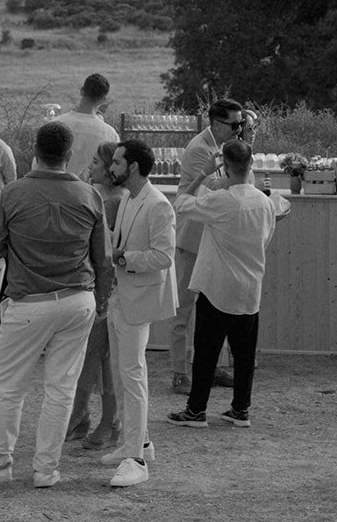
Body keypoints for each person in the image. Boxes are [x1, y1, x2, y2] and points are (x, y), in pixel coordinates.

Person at [0, 121, 112, 489]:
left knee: (9, 387)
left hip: (28, 300)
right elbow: (104, 259)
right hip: (78, 299)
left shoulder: (14, 193)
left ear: (35, 152)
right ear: (69, 156)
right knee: (61, 388)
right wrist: (102, 301)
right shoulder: (89, 196)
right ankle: (46, 469)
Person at [169, 137, 281, 429]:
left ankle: (196, 410)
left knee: (206, 353)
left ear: (226, 167)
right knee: (244, 355)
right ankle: (241, 409)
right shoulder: (265, 202)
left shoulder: (222, 201)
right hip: (250, 285)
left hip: (217, 287)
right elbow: (266, 239)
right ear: (251, 163)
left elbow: (181, 203)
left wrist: (202, 174)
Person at [102, 138, 178, 489]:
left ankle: (136, 460)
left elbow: (164, 256)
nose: (111, 167)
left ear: (132, 166)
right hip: (121, 294)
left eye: (117, 162)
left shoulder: (158, 204)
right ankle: (138, 442)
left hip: (139, 297)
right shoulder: (130, 198)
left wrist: (124, 258)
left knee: (132, 374)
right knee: (122, 373)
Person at [170, 98, 248, 393]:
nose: (239, 129)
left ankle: (211, 367)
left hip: (214, 236)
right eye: (235, 125)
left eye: (241, 124)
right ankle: (179, 372)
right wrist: (241, 168)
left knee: (215, 306)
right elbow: (214, 187)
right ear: (216, 124)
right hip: (192, 237)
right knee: (183, 308)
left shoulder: (225, 146)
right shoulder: (199, 149)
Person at [66, 142, 123, 448]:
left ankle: (105, 421)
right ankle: (84, 417)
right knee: (93, 354)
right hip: (95, 283)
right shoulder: (96, 194)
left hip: (108, 286)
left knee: (101, 355)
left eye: (97, 163)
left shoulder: (113, 200)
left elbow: (106, 250)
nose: (91, 167)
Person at [50, 74, 118, 182]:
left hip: (54, 186)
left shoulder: (55, 124)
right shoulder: (110, 134)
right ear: (104, 99)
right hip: (90, 190)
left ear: (82, 91)